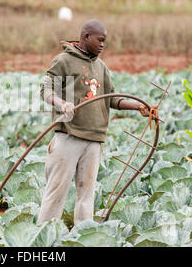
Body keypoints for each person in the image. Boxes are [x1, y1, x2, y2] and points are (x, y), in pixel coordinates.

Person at [37, 19, 152, 227]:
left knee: (86, 194)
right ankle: (45, 235)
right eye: (99, 40)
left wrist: (138, 107)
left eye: (105, 41)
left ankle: (83, 234)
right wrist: (62, 103)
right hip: (68, 136)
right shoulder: (63, 61)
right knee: (57, 190)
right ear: (86, 37)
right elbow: (46, 90)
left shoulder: (101, 67)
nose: (102, 44)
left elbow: (113, 98)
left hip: (94, 140)